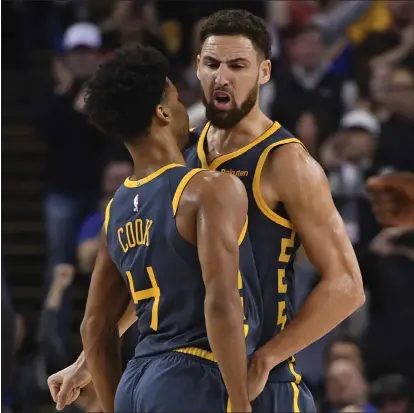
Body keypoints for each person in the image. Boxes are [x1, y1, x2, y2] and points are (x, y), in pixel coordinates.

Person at [48, 10, 365, 413]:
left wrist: (267, 357)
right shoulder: (180, 158)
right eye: (213, 64)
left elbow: (346, 286)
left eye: (238, 65)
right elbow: (163, 277)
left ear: (264, 72)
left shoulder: (285, 162)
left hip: (262, 377)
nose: (223, 76)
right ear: (197, 67)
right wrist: (84, 362)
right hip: (197, 375)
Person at [78, 44, 262, 412]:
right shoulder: (208, 189)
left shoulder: (114, 211)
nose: (186, 113)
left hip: (137, 379)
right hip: (194, 373)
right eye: (178, 101)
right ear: (162, 112)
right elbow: (222, 303)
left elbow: (94, 327)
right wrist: (240, 402)